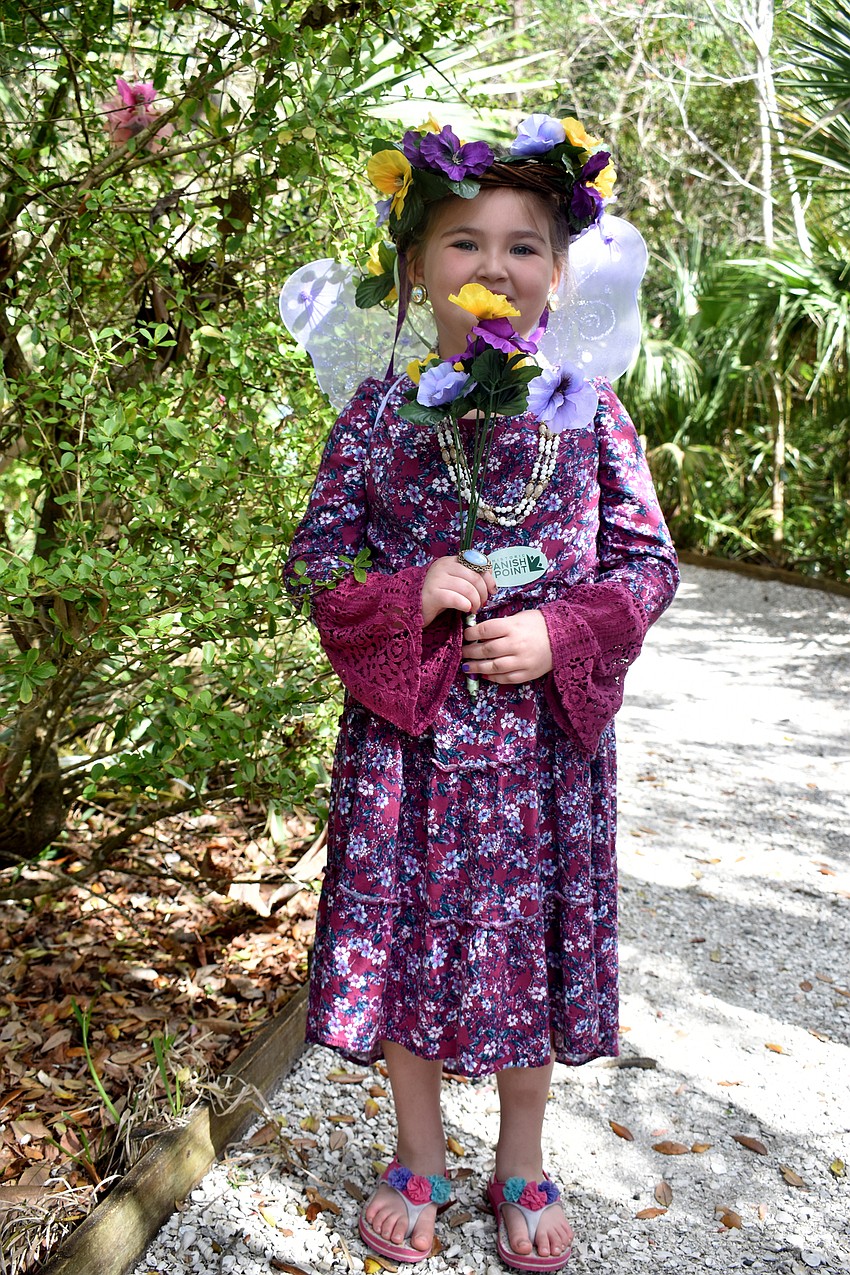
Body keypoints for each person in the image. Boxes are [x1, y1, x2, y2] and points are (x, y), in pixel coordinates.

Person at [282, 113, 679, 1272]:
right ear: (413, 266)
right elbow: (318, 563)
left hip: (541, 755)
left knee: (527, 954)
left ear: (559, 271)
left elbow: (647, 564)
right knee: (408, 946)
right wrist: (408, 593)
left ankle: (520, 1158)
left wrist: (563, 632)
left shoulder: (592, 412)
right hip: (407, 749)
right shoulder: (376, 416)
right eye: (463, 242)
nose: (492, 267)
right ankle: (417, 1155)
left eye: (522, 245)